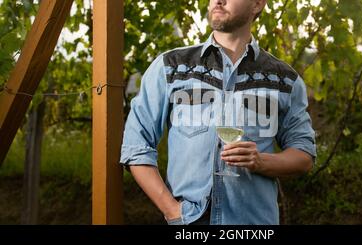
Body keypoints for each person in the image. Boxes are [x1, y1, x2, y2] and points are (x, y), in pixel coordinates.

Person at [119, 0, 316, 225]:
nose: (218, 1)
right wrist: (173, 212)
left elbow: (303, 154)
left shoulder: (284, 79)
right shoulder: (170, 67)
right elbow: (136, 147)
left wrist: (261, 161)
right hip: (189, 223)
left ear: (257, 4)